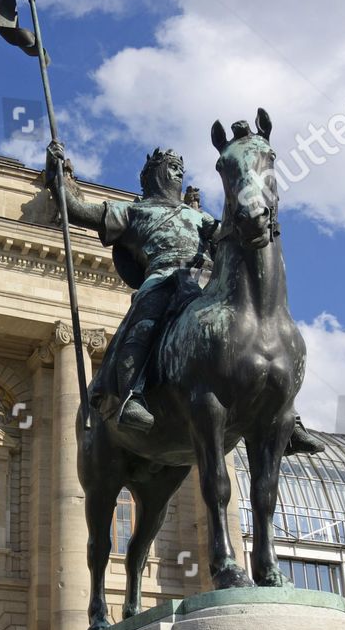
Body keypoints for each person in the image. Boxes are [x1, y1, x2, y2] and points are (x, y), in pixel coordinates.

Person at [46, 140, 324, 453]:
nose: (178, 172)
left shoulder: (198, 217)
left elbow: (228, 234)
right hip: (162, 278)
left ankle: (284, 413)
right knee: (143, 325)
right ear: (153, 175)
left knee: (261, 327)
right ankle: (130, 395)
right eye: (171, 167)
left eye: (181, 168)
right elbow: (78, 210)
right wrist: (55, 175)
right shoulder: (134, 211)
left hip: (205, 283)